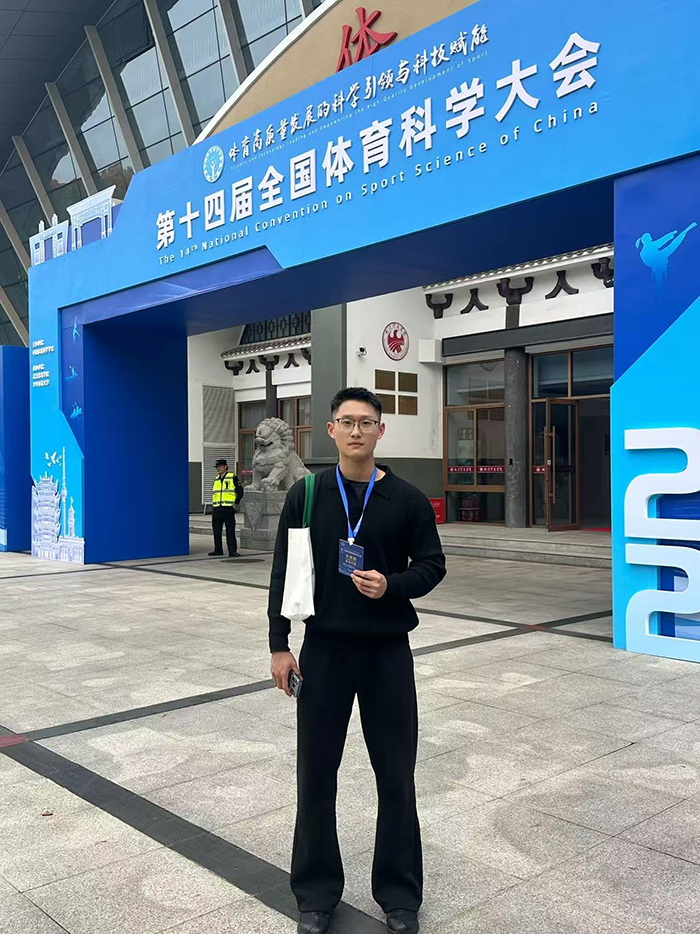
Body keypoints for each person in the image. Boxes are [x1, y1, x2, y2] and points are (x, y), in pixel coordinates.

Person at [268, 387, 446, 934]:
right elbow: (283, 570)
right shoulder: (307, 494)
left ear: (380, 431)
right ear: (331, 430)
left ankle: (400, 896)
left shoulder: (406, 499)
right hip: (324, 652)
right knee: (316, 774)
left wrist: (392, 585)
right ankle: (315, 894)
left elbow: (433, 565)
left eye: (366, 422)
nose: (356, 431)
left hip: (387, 653)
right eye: (346, 422)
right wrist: (279, 644)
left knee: (396, 775)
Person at [209, 458, 242, 557]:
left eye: (219, 466)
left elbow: (240, 491)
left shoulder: (232, 477)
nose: (218, 469)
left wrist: (236, 504)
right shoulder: (216, 479)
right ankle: (218, 550)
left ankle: (232, 551)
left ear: (225, 467)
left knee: (230, 531)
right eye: (217, 467)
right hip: (217, 509)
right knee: (216, 531)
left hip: (228, 509)